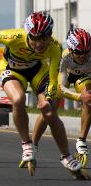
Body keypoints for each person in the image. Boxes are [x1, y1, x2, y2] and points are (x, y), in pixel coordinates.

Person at [0, 12, 84, 176]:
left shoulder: (55, 47)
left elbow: (53, 79)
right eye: (34, 38)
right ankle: (27, 145)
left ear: (50, 35)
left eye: (43, 38)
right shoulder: (15, 36)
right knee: (18, 99)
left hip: (37, 71)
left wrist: (49, 98)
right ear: (28, 34)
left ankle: (66, 156)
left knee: (50, 111)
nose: (39, 43)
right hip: (12, 70)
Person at [57, 28, 91, 168]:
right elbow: (61, 89)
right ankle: (32, 145)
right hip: (69, 75)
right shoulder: (64, 58)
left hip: (86, 76)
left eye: (86, 52)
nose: (83, 56)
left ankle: (81, 141)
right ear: (71, 50)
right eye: (78, 52)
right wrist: (79, 97)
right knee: (48, 107)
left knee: (88, 99)